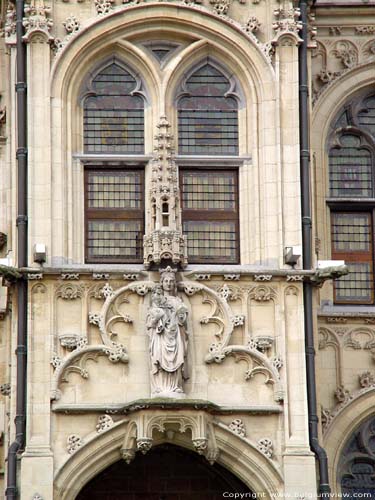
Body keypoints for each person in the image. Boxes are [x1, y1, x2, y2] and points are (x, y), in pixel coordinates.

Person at [147, 269, 189, 398]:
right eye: (166, 281)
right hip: (161, 335)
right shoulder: (157, 300)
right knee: (159, 357)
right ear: (162, 283)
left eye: (171, 281)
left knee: (177, 358)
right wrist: (159, 317)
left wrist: (180, 316)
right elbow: (151, 321)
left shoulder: (178, 301)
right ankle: (160, 386)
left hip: (175, 335)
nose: (169, 284)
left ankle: (175, 386)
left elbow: (183, 321)